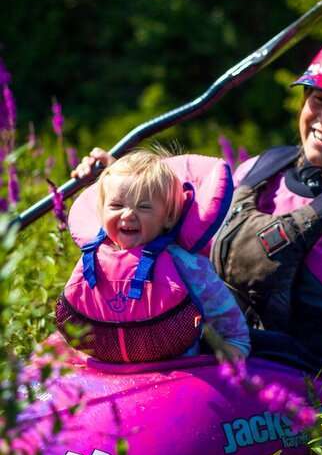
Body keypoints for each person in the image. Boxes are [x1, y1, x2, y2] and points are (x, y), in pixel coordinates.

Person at [73, 29, 322, 391]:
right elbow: (168, 232)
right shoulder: (257, 172)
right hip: (227, 365)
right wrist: (116, 179)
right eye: (319, 99)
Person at [60, 148, 250, 363]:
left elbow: (220, 306)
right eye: (116, 205)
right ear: (101, 212)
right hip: (106, 369)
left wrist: (235, 343)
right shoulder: (93, 261)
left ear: (168, 218)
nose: (128, 214)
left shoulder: (184, 263)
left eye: (144, 207)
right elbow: (74, 308)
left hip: (173, 371)